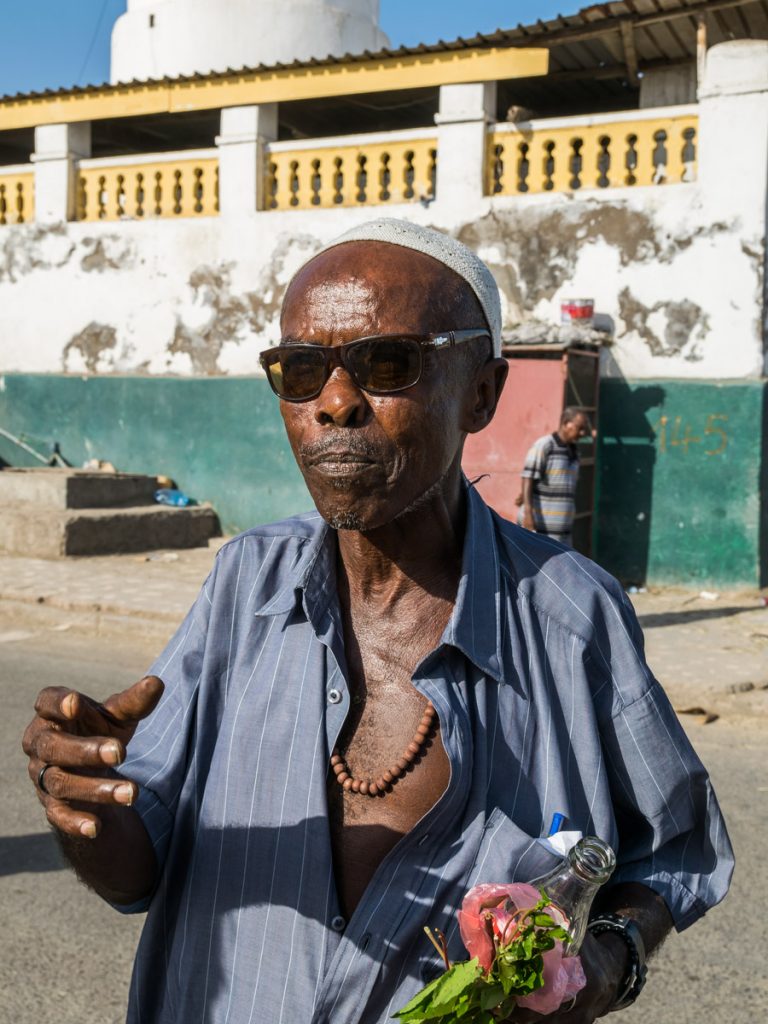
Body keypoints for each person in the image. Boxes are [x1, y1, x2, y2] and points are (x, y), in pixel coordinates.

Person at [23, 218, 733, 1024]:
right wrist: (83, 809)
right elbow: (135, 871)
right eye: (299, 372)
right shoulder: (244, 587)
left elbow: (673, 851)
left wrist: (608, 959)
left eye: (386, 363)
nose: (333, 405)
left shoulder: (574, 618)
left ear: (481, 392)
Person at [518, 408, 593, 547]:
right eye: (579, 428)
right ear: (566, 423)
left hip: (563, 532)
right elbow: (528, 477)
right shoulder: (545, 445)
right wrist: (528, 514)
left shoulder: (575, 452)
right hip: (540, 528)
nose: (582, 433)